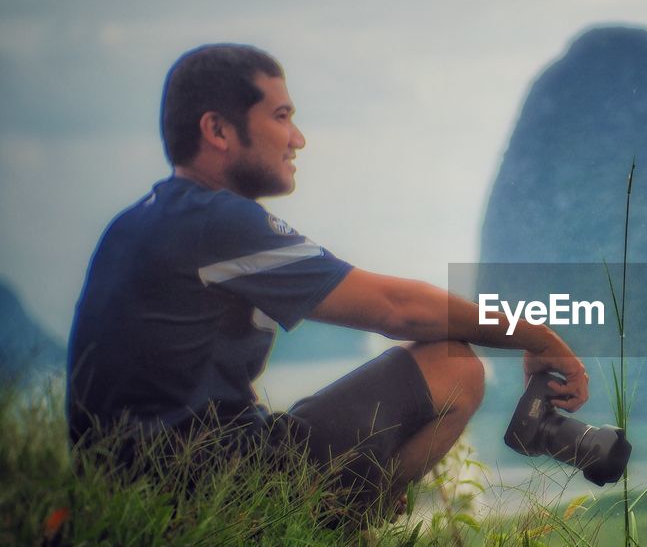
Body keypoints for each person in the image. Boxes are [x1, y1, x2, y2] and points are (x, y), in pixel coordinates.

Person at [67, 43, 588, 514]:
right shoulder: (216, 221)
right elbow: (395, 308)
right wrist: (536, 335)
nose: (297, 139)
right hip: (201, 488)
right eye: (281, 116)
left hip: (126, 487)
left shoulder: (140, 221)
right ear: (218, 130)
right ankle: (335, 531)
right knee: (455, 368)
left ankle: (334, 528)